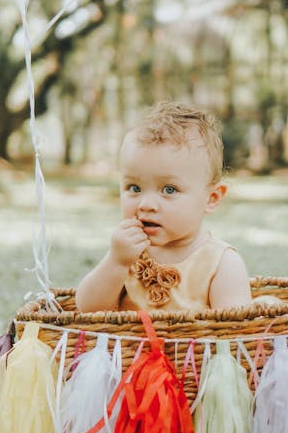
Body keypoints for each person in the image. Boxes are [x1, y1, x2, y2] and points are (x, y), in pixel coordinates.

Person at [76, 101, 253, 313]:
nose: (146, 204)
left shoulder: (221, 263)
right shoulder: (128, 252)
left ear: (211, 198)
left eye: (169, 190)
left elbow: (235, 332)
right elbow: (88, 309)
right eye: (134, 187)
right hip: (133, 347)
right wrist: (116, 262)